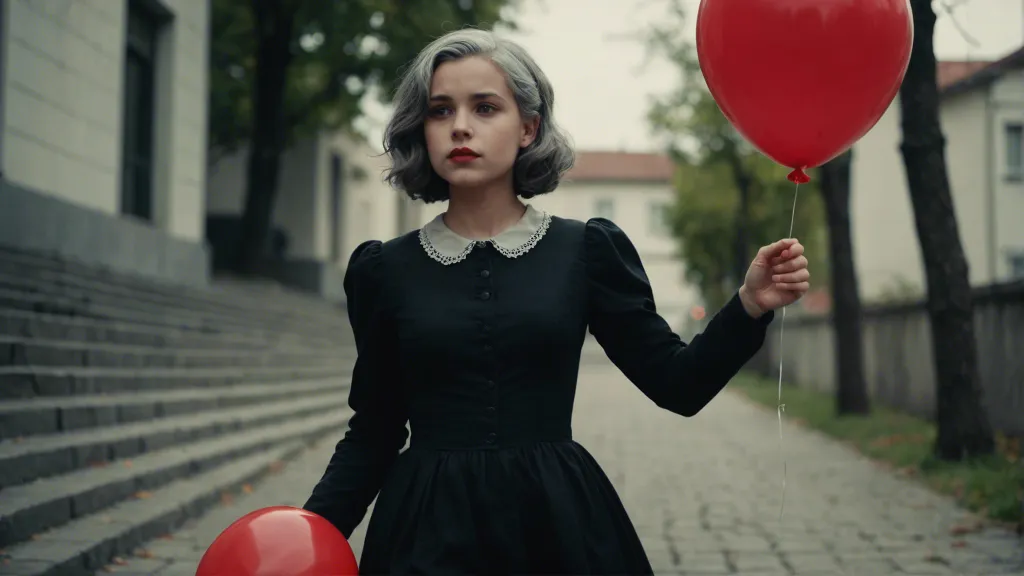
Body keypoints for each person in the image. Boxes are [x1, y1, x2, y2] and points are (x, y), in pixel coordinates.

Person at [303, 27, 810, 575]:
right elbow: (374, 431)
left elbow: (677, 384)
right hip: (424, 533)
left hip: (556, 528)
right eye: (441, 111)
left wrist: (749, 306)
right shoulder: (384, 270)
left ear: (528, 128)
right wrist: (302, 541)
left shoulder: (586, 250)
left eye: (486, 107)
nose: (461, 127)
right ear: (420, 128)